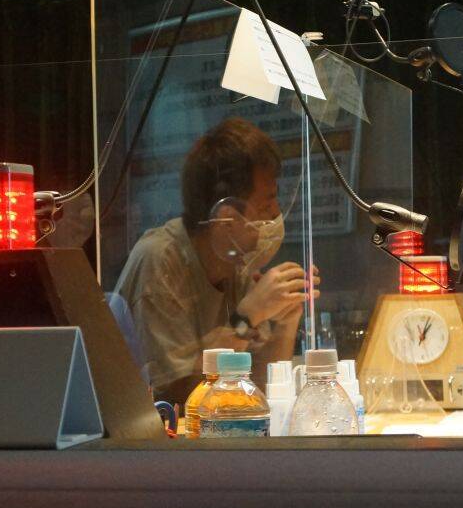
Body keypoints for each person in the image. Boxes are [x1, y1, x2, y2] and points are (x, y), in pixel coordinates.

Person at [113, 118, 315, 403]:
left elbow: (259, 389)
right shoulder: (159, 260)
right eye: (266, 204)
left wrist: (286, 321)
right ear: (227, 219)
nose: (275, 215)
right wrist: (246, 317)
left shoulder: (236, 267)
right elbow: (177, 396)